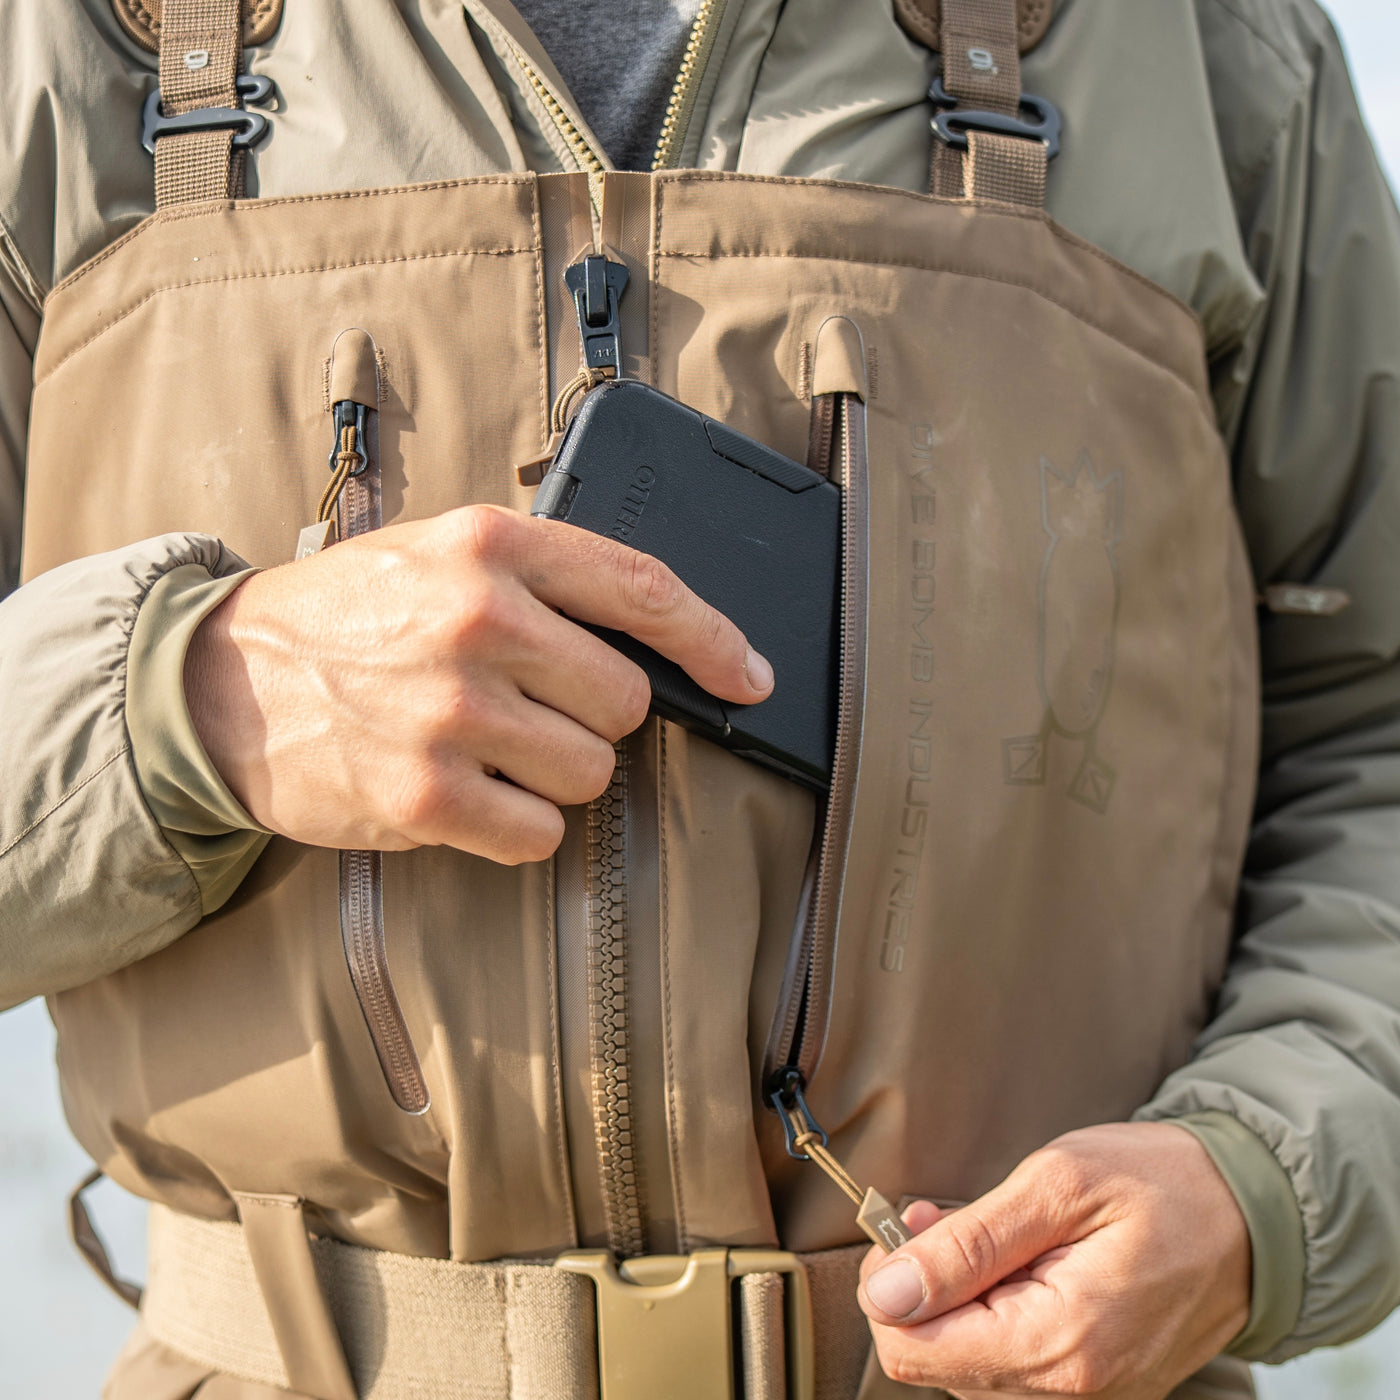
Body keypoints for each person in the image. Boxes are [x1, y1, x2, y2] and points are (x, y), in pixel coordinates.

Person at [2, 0, 1399, 1396]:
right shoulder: (55, 45)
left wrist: (1263, 1180)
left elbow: (1373, 732)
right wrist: (197, 700)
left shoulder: (1208, 48)